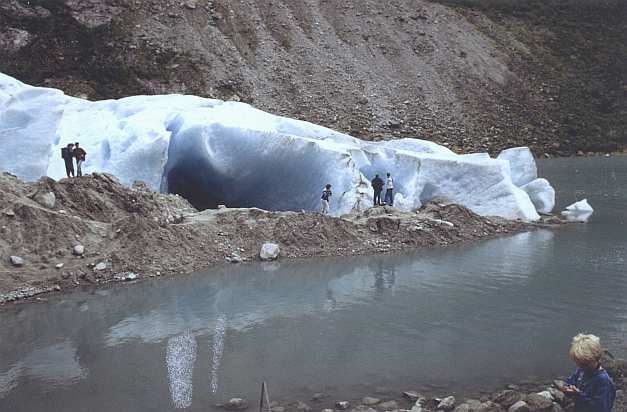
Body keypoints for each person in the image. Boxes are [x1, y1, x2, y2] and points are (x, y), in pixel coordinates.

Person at [560, 333, 616, 412]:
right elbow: (571, 381)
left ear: (597, 358)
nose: (581, 367)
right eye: (578, 363)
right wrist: (567, 388)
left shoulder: (603, 380)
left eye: (585, 364)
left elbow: (602, 408)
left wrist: (579, 395)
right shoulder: (581, 370)